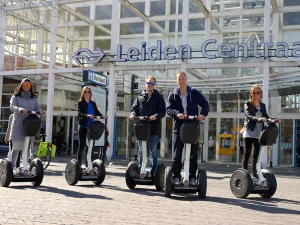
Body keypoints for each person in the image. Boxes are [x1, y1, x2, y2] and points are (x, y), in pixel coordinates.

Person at [166, 72, 209, 185]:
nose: (181, 81)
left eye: (183, 79)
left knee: (193, 154)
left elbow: (205, 104)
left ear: (186, 80)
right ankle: (176, 177)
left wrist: (202, 114)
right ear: (177, 81)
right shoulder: (173, 94)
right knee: (177, 154)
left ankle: (192, 177)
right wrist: (177, 113)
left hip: (192, 126)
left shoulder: (194, 93)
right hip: (178, 128)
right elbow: (169, 110)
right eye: (179, 79)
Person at [130, 75, 166, 176]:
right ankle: (141, 169)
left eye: (152, 83)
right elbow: (134, 108)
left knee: (153, 150)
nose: (150, 85)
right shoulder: (140, 97)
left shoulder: (159, 97)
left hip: (154, 128)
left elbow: (162, 112)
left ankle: (154, 171)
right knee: (142, 150)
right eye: (148, 83)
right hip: (142, 128)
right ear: (145, 84)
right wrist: (132, 114)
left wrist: (156, 116)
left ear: (155, 85)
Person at [10, 78, 44, 173]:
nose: (26, 86)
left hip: (29, 125)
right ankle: (12, 167)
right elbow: (12, 106)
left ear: (30, 87)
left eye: (28, 85)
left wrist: (40, 111)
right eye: (24, 85)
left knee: (27, 146)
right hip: (18, 124)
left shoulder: (33, 98)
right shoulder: (16, 96)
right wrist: (20, 109)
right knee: (16, 147)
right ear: (21, 85)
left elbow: (37, 107)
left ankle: (25, 167)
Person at [242, 84, 269, 178]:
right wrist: (259, 119)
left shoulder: (262, 105)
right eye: (254, 93)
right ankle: (244, 175)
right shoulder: (247, 104)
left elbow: (266, 116)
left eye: (258, 93)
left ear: (260, 94)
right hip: (249, 132)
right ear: (251, 94)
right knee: (247, 154)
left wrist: (272, 120)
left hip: (258, 134)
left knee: (256, 156)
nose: (256, 94)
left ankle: (254, 175)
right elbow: (248, 115)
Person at [78, 86, 106, 167]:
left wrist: (102, 115)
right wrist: (87, 115)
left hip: (91, 128)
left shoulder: (93, 103)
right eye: (85, 92)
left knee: (90, 147)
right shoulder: (80, 103)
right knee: (82, 146)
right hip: (83, 127)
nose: (87, 94)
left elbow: (97, 112)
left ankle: (89, 165)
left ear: (90, 94)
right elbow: (80, 114)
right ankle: (79, 166)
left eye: (88, 92)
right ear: (83, 93)